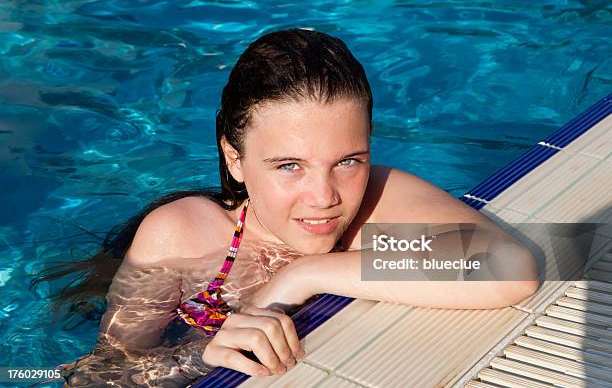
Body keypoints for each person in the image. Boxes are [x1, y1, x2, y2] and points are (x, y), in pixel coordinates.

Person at [32, 28, 539, 387]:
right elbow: (96, 375)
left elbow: (512, 270)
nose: (325, 197)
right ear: (235, 159)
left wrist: (305, 275)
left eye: (348, 160)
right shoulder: (182, 236)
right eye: (288, 166)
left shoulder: (378, 198)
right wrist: (196, 358)